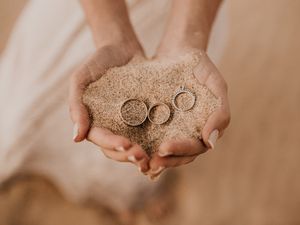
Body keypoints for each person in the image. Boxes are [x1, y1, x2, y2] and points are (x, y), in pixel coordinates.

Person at [0, 0, 230, 222]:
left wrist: (188, 40)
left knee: (138, 151)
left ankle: (130, 191)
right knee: (18, 116)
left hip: (189, 13)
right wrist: (112, 36)